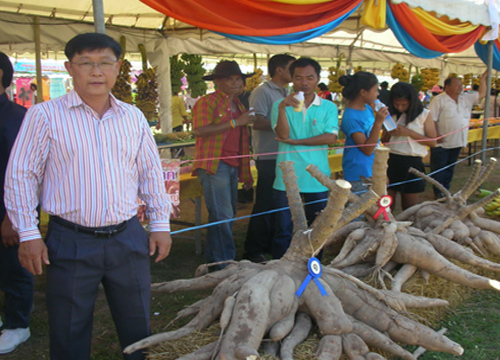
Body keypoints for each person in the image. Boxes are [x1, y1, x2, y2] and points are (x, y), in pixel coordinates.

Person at [4, 33, 172, 360]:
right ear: (70, 68)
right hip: (71, 240)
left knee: (137, 325)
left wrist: (160, 224)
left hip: (127, 237)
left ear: (118, 68)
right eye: (86, 63)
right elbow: (22, 175)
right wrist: (28, 233)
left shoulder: (133, 117)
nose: (96, 72)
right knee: (69, 328)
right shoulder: (44, 116)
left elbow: (150, 174)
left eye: (105, 63)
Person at [271, 57, 339, 259]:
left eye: (310, 77)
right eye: (299, 78)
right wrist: (283, 108)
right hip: (286, 174)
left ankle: (313, 265)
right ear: (292, 79)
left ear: (317, 79)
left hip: (317, 176)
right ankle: (280, 267)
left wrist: (297, 142)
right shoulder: (279, 105)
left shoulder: (328, 107)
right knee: (283, 226)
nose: (304, 82)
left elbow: (331, 137)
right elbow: (283, 135)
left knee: (316, 227)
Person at [192, 60, 254, 269]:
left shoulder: (239, 105)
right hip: (214, 164)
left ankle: (216, 260)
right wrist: (236, 122)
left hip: (232, 164)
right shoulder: (206, 102)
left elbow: (242, 142)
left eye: (238, 78)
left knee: (225, 214)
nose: (236, 83)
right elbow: (199, 131)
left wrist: (246, 172)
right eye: (230, 79)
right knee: (223, 214)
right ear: (218, 81)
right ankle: (224, 263)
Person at [243, 54, 295, 263]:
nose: (296, 71)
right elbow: (256, 121)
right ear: (279, 70)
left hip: (286, 155)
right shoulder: (262, 91)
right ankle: (253, 249)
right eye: (292, 67)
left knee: (280, 202)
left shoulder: (289, 92)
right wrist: (282, 124)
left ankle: (273, 245)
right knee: (265, 203)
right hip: (268, 155)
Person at [0, 52, 33, 354]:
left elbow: (24, 172)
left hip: (7, 210)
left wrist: (12, 217)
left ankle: (17, 325)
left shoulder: (17, 117)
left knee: (13, 268)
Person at [429, 72, 487, 198]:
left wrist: (482, 79)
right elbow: (431, 119)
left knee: (450, 168)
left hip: (458, 141)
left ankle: (446, 191)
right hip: (442, 143)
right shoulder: (439, 100)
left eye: (461, 85)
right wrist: (437, 134)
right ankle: (439, 193)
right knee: (439, 169)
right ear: (447, 87)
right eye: (457, 85)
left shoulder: (465, 98)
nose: (460, 87)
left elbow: (482, 94)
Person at [381, 82, 437, 210]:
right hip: (391, 160)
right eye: (396, 104)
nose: (400, 107)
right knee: (387, 204)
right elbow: (383, 140)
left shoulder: (424, 114)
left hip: (413, 162)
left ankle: (409, 228)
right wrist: (389, 133)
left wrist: (409, 133)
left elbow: (432, 142)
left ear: (412, 101)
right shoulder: (391, 114)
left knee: (409, 207)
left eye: (404, 104)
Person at [340, 71, 389, 195]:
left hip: (371, 169)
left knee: (376, 210)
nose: (378, 94)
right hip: (358, 173)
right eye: (375, 90)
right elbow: (367, 150)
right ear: (363, 92)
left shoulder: (367, 108)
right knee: (358, 211)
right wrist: (378, 123)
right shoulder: (350, 117)